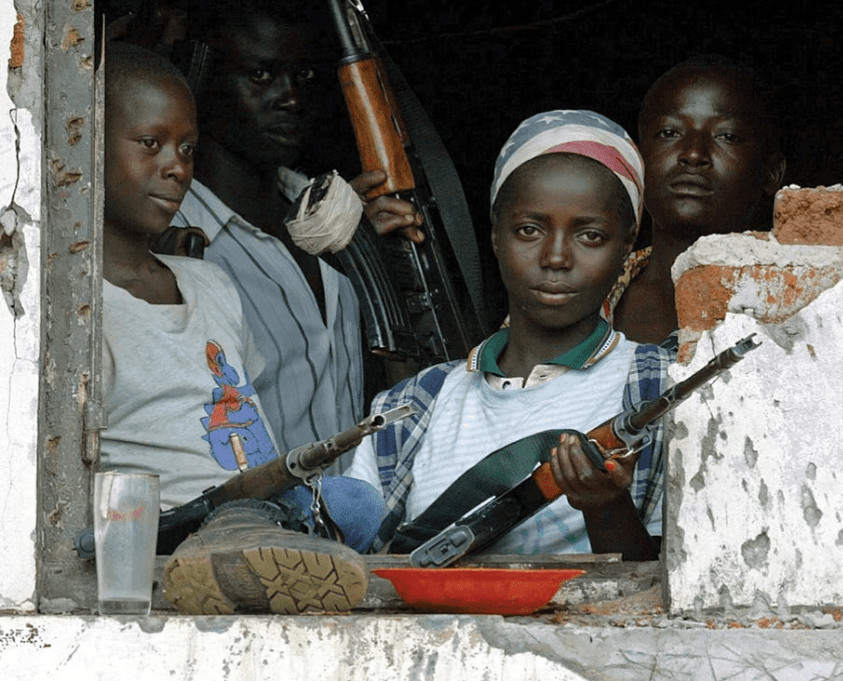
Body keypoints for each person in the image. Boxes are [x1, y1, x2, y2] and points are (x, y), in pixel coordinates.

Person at [99, 42, 382, 615]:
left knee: (359, 503)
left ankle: (259, 551)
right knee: (226, 519)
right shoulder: (78, 308)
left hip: (269, 504)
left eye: (188, 148)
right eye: (150, 144)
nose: (176, 167)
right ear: (86, 144)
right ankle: (227, 556)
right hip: (172, 523)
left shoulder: (211, 285)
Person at [347, 110, 673, 560]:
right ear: (496, 234)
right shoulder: (415, 406)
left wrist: (606, 506)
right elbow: (354, 568)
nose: (555, 257)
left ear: (627, 243)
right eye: (529, 230)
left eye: (590, 236)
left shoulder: (662, 391)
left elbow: (680, 583)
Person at [170, 0, 423, 464]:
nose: (290, 97)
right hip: (252, 509)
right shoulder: (175, 239)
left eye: (302, 76)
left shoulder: (341, 216)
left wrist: (372, 253)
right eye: (261, 75)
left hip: (356, 505)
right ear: (202, 77)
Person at [609, 55, 787, 347]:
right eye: (669, 133)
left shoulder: (799, 306)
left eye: (727, 136)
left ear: (770, 173)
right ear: (638, 161)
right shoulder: (586, 293)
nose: (693, 154)